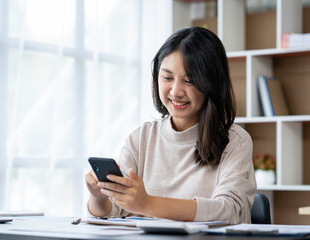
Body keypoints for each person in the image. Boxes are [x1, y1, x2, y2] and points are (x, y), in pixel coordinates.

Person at [85, 27, 256, 224]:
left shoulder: (235, 141)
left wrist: (147, 204)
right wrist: (99, 197)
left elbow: (230, 211)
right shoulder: (140, 137)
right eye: (167, 78)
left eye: (189, 80)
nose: (176, 91)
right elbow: (114, 210)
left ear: (212, 83)